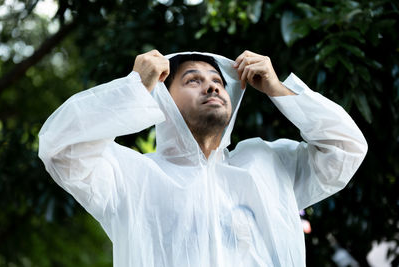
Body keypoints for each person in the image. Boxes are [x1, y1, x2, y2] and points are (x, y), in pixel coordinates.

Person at [38, 50, 367, 267]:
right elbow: (60, 146)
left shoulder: (266, 162)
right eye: (193, 80)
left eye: (218, 82)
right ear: (163, 99)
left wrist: (278, 89)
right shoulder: (131, 176)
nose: (212, 88)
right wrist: (133, 88)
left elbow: (346, 148)